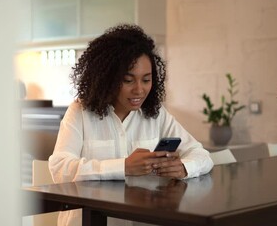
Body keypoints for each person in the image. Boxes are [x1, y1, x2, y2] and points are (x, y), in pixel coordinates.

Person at [48, 24, 213, 226]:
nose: (139, 90)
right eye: (128, 80)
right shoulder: (80, 112)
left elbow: (202, 155)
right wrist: (124, 166)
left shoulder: (156, 114)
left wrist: (184, 168)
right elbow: (59, 168)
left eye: (146, 80)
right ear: (108, 78)